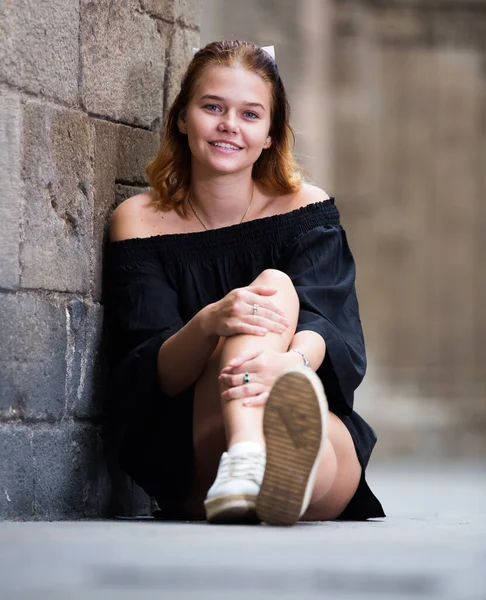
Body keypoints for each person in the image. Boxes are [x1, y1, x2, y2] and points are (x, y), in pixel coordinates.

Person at [107, 40, 385, 525]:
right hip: (192, 446)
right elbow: (157, 374)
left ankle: (258, 464)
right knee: (263, 295)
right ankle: (255, 456)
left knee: (275, 290)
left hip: (293, 397)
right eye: (212, 106)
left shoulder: (304, 209)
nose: (229, 125)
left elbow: (333, 326)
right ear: (181, 117)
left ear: (271, 135)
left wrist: (291, 365)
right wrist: (211, 320)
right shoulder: (139, 221)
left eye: (250, 114)